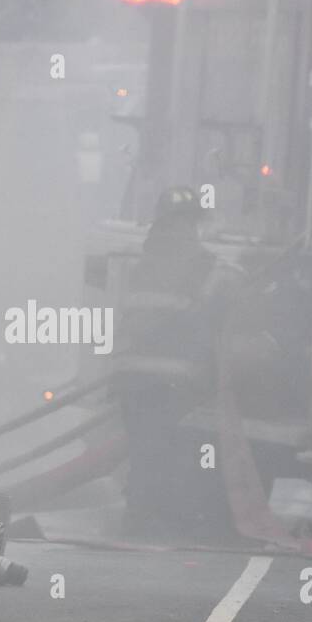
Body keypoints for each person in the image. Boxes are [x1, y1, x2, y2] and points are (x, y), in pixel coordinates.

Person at [114, 186, 217, 540]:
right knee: (164, 448)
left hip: (130, 374)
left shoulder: (144, 260)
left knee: (145, 446)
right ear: (190, 222)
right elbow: (208, 313)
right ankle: (148, 518)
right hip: (170, 375)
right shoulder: (203, 263)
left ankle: (142, 514)